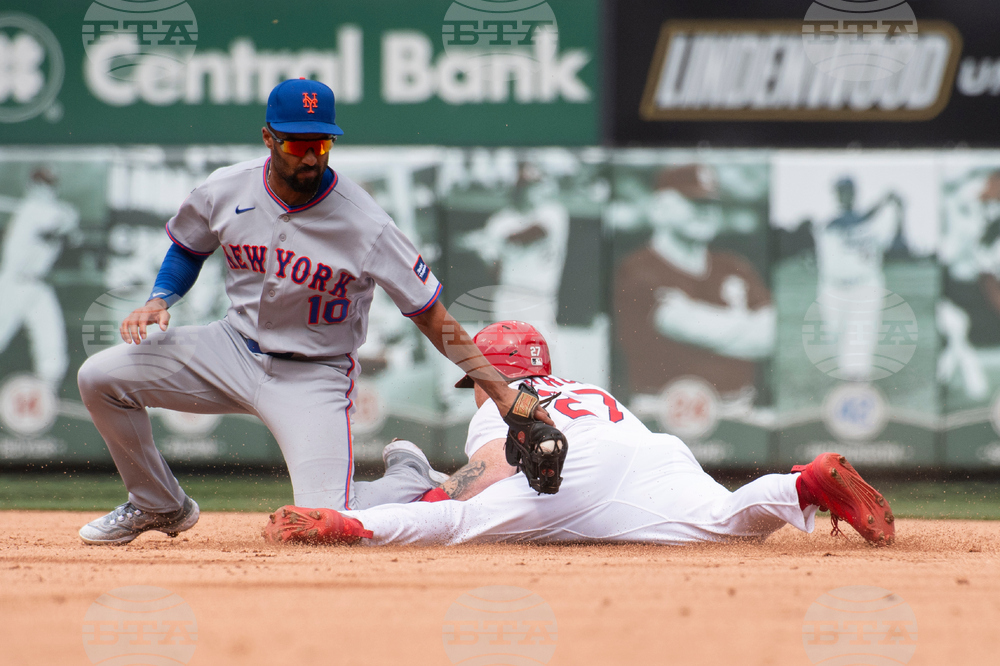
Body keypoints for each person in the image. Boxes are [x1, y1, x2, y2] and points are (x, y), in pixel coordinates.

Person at [76, 79, 550, 545]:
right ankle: (158, 503)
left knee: (328, 522)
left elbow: (430, 314)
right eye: (297, 144)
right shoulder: (225, 188)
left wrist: (500, 392)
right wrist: (160, 298)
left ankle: (408, 476)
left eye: (321, 144)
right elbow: (188, 247)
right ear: (268, 138)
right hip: (229, 348)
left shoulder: (365, 222)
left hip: (313, 375)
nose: (310, 157)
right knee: (100, 378)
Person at [262, 321, 895, 548]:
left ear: (491, 373)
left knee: (454, 521)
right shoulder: (581, 386)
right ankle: (802, 485)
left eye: (476, 379)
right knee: (728, 520)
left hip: (573, 471)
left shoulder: (502, 399)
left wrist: (425, 493)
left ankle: (349, 528)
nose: (475, 390)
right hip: (653, 452)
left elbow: (483, 476)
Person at [615, 164, 774, 410]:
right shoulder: (637, 269)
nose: (706, 211)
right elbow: (682, 325)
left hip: (739, 408)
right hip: (663, 411)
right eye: (693, 201)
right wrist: (746, 323)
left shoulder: (734, 266)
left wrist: (693, 312)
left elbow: (770, 336)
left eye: (711, 203)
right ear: (660, 208)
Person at [811, 177, 903, 381]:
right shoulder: (828, 224)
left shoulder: (871, 224)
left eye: (848, 191)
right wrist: (883, 201)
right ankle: (850, 372)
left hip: (865, 285)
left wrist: (897, 210)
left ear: (855, 194)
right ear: (836, 196)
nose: (845, 196)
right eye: (841, 192)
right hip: (833, 287)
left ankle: (858, 377)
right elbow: (849, 223)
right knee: (835, 334)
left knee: (861, 333)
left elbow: (897, 242)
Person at [0, 168, 80, 391]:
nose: (44, 188)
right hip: (14, 283)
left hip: (37, 284)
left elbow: (70, 234)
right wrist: (69, 218)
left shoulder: (50, 209)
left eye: (48, 183)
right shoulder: (32, 210)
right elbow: (56, 226)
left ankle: (47, 389)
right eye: (40, 183)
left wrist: (69, 219)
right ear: (31, 185)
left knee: (50, 335)